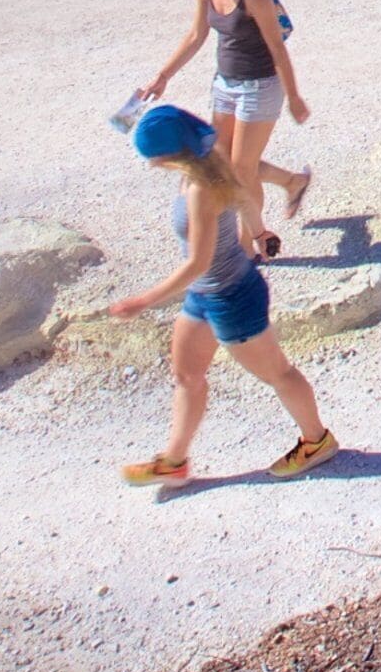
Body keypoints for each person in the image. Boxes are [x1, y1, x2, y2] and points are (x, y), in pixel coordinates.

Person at [109, 104, 339, 487]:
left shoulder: (200, 189)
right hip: (204, 295)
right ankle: (174, 463)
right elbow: (242, 195)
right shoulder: (207, 164)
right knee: (187, 374)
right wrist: (259, 232)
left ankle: (317, 441)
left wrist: (143, 301)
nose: (150, 163)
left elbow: (198, 262)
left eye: (153, 156)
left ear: (171, 153)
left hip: (233, 297)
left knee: (278, 373)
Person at [142, 0, 309, 257]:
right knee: (221, 164)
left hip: (260, 87)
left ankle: (248, 247)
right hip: (225, 84)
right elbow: (195, 35)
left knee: (242, 171)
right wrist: (163, 76)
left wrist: (293, 96)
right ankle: (293, 181)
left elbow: (277, 48)